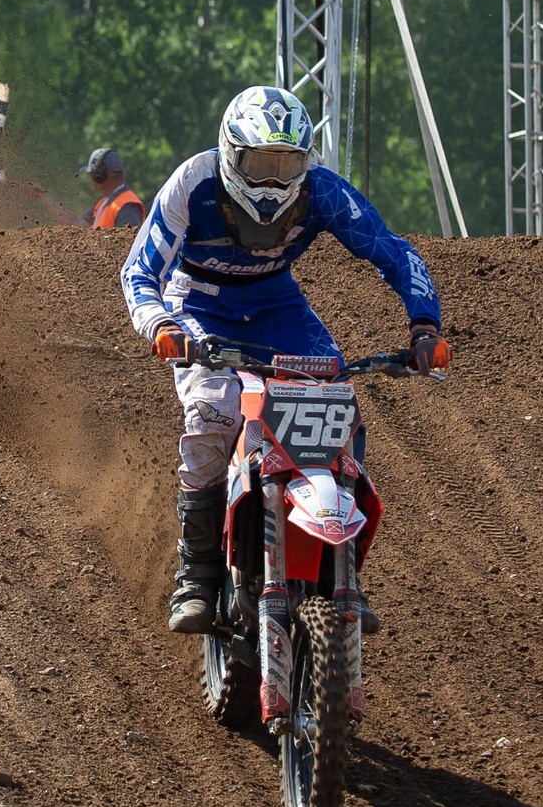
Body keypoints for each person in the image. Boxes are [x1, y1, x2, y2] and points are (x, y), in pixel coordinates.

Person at [120, 86, 445, 636]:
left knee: (337, 397)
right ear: (230, 153)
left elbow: (392, 250)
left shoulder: (320, 192)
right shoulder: (193, 183)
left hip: (276, 303)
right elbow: (139, 271)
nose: (273, 180)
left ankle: (340, 572)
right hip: (199, 302)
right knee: (215, 410)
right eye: (260, 162)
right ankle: (196, 575)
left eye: (286, 163)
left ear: (305, 161)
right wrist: (161, 324)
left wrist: (424, 325)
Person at [81, 148, 145, 231]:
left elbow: (128, 242)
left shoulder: (127, 207)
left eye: (93, 174)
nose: (90, 178)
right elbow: (77, 225)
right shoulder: (103, 202)